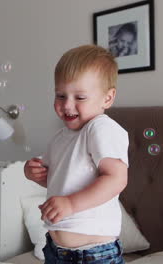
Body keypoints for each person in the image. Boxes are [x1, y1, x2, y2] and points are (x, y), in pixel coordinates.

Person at [24, 45, 128, 264]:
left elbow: (116, 178)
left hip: (93, 254)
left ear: (107, 99)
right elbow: (62, 179)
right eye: (61, 95)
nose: (67, 105)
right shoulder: (61, 137)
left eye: (80, 97)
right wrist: (36, 173)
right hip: (55, 249)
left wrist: (70, 204)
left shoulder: (100, 128)